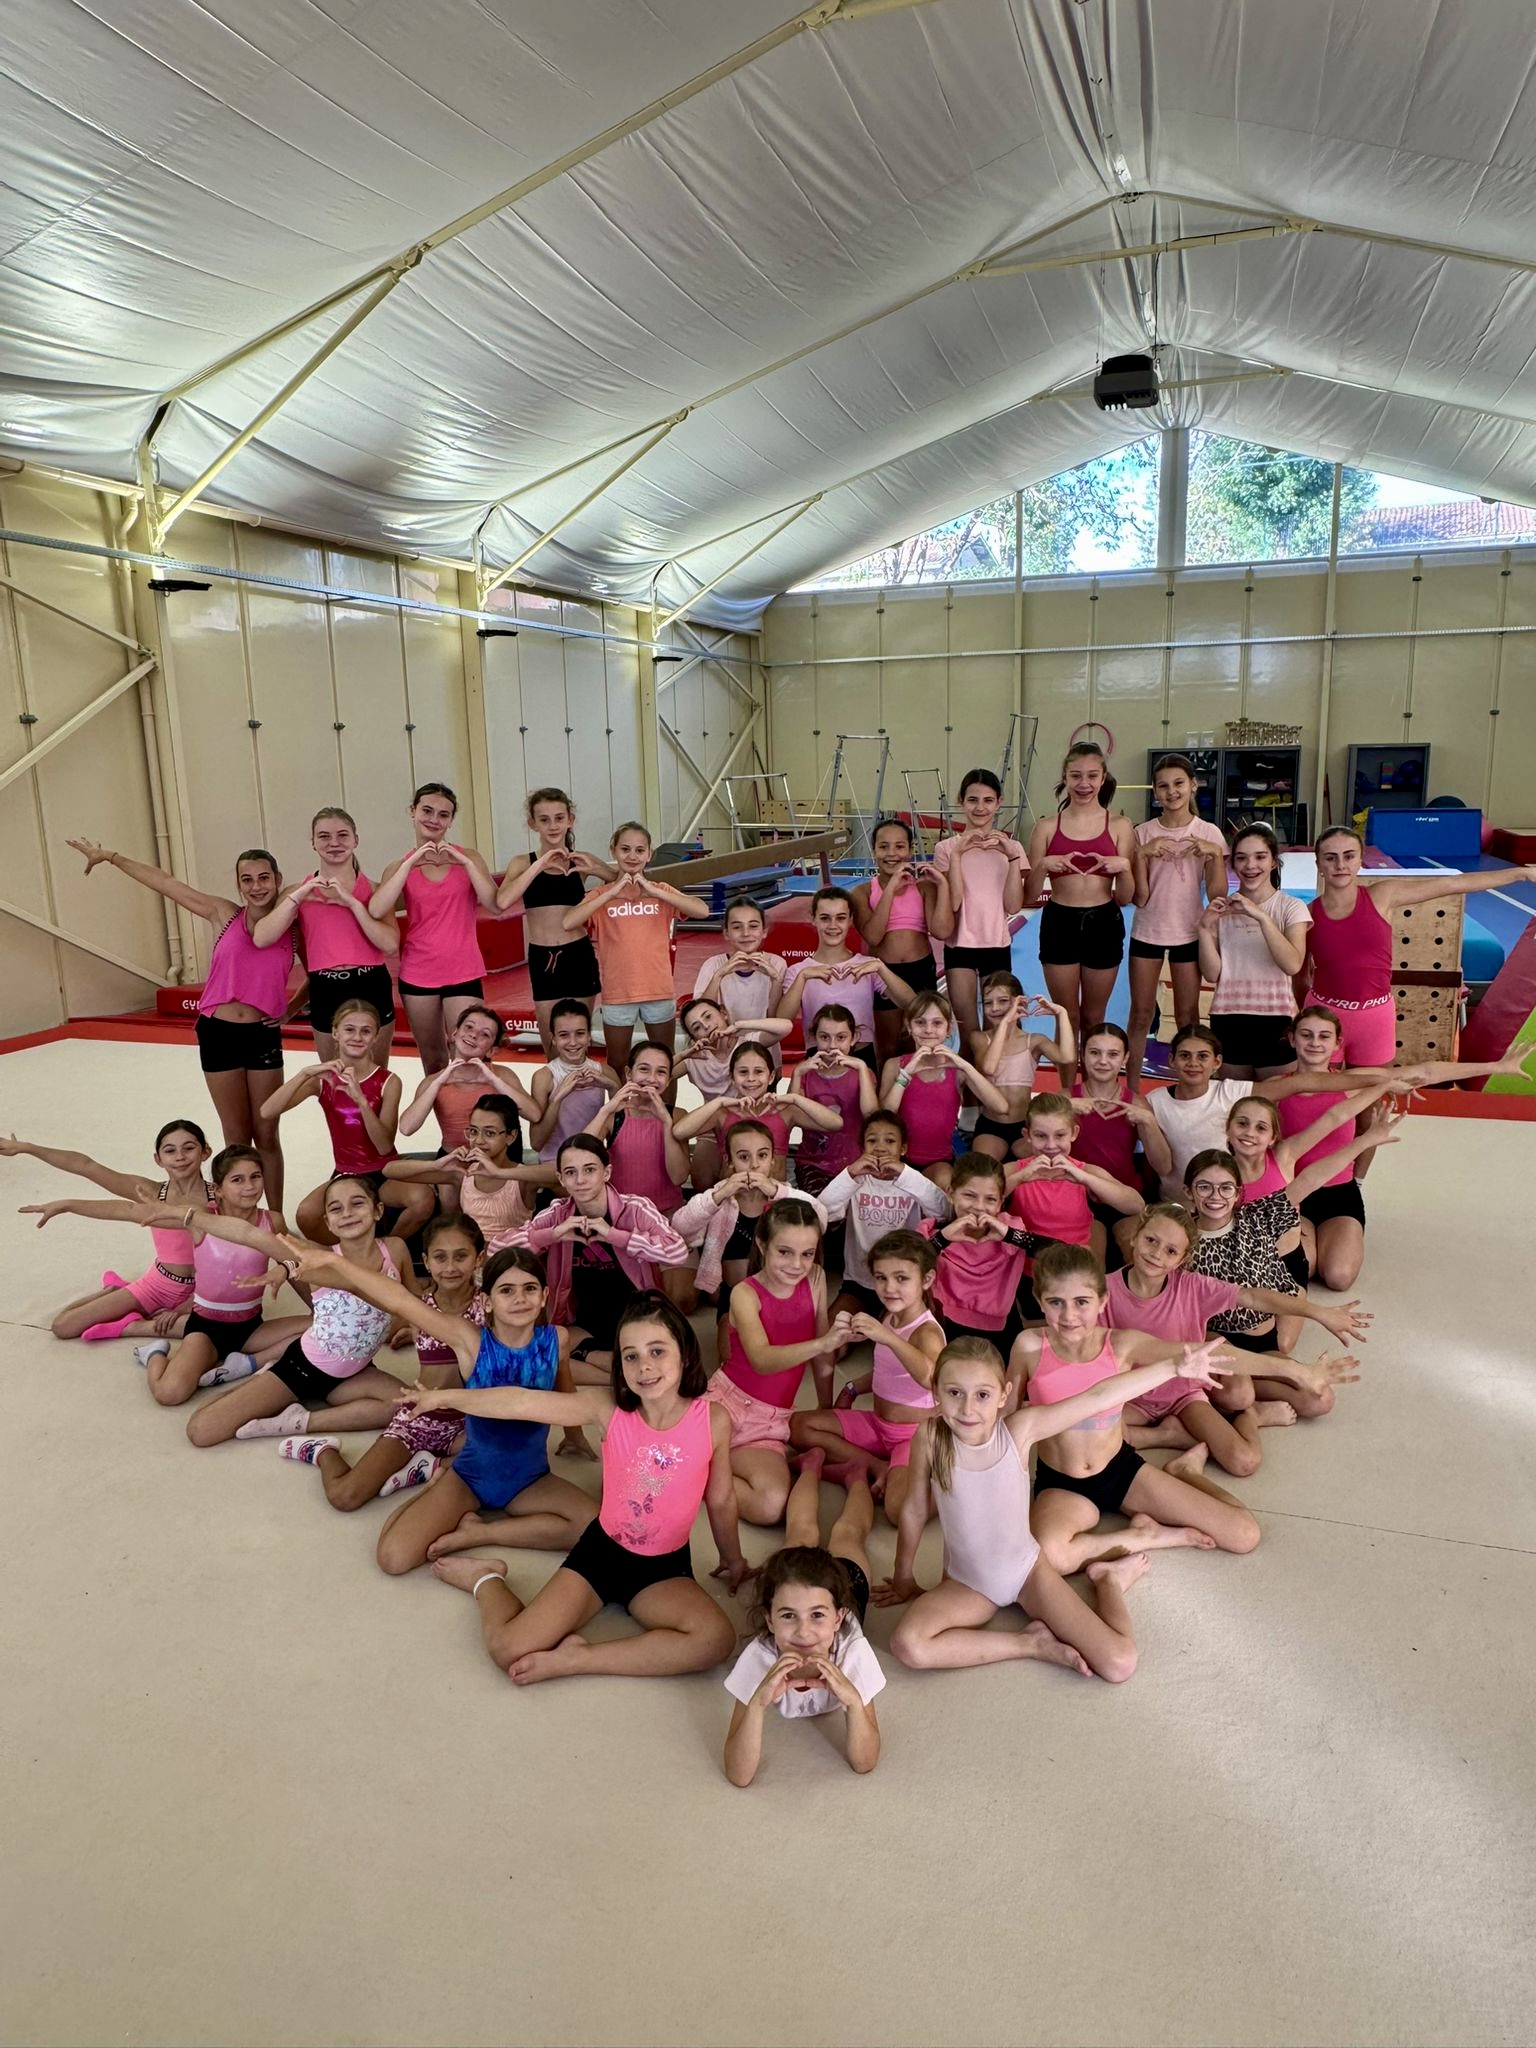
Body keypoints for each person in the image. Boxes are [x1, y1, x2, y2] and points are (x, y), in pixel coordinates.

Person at [399, 1293, 748, 1686]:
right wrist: (444, 1397)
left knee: (715, 1640)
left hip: (663, 1569)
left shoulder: (712, 1420)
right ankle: (486, 1579)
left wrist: (733, 1558)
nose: (644, 1366)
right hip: (601, 1554)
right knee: (507, 1648)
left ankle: (578, 1658)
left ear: (684, 1353)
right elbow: (520, 1402)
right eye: (630, 1356)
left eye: (657, 1351)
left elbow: (721, 1498)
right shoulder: (607, 1408)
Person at [875, 1335, 1203, 1681]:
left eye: (982, 1395)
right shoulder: (930, 1437)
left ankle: (1110, 1580)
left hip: (1027, 1573)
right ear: (936, 1391)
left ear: (1004, 1395)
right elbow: (914, 1508)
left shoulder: (1018, 1430)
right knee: (907, 1645)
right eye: (955, 1392)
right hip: (967, 1583)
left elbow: (1097, 1396)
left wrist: (1173, 1367)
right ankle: (1029, 1643)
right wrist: (903, 1576)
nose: (968, 1409)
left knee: (1119, 1662)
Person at [277, 1240, 597, 1567]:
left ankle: (479, 1532)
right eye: (506, 1290)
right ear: (487, 1301)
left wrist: (574, 1436)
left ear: (544, 1295)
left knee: (596, 1530)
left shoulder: (556, 1339)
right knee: (393, 1559)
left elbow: (566, 1389)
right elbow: (399, 1300)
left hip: (531, 1478)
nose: (519, 1299)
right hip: (471, 1476)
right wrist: (337, 1262)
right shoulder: (469, 1340)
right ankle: (435, 1484)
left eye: (530, 1289)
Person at [66, 837, 294, 1205]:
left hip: (262, 1032)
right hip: (219, 1032)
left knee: (267, 1133)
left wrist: (294, 1006)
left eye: (264, 878)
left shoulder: (291, 925)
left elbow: (318, 969)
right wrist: (111, 856)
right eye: (247, 879)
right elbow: (166, 884)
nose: (257, 887)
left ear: (278, 879)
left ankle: (276, 1214)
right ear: (238, 885)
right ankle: (240, 1212)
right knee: (237, 1135)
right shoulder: (224, 914)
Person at [1013, 1244, 1261, 1571]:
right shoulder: (1028, 1346)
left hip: (1121, 1471)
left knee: (1244, 1534)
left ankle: (1185, 1473)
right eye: (1056, 1302)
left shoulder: (1121, 1343)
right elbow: (1007, 1419)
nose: (1069, 1315)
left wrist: (1295, 1371)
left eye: (1081, 1302)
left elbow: (1196, 1353)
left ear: (1102, 1301)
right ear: (1039, 1300)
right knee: (1050, 1558)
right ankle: (1144, 1536)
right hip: (1062, 1482)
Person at [1108, 1203, 1367, 1474]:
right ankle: (1166, 1435)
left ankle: (1251, 1416)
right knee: (1087, 1435)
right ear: (1135, 1236)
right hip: (1132, 1395)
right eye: (1151, 1240)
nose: (1157, 1254)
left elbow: (1252, 1297)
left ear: (1182, 1259)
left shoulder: (1192, 1285)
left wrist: (1319, 1312)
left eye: (1171, 1250)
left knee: (1245, 1461)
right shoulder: (1104, 1292)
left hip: (1183, 1393)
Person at [179, 1172, 414, 1447]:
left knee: (409, 1408)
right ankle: (264, 1374)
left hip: (356, 1371)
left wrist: (411, 1327)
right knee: (202, 1431)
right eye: (336, 1208)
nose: (347, 1213)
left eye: (358, 1203)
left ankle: (297, 1421)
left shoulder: (395, 1249)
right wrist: (187, 1216)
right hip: (302, 1367)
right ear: (327, 1221)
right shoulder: (321, 1258)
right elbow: (257, 1239)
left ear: (378, 1210)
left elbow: (415, 1300)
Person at [1181, 1135, 1400, 1415]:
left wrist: (1366, 1140)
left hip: (1261, 1340)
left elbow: (1310, 1179)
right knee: (1236, 1393)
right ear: (1189, 1192)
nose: (1215, 1196)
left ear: (1237, 1193)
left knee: (1319, 1400)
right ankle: (1248, 1405)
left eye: (1225, 1188)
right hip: (1213, 1337)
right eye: (1204, 1187)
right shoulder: (1180, 1235)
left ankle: (1246, 1395)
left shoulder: (1257, 1217)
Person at [286, 1212, 490, 1508]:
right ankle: (322, 1452)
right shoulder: (417, 1307)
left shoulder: (492, 1306)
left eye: (461, 1256)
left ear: (479, 1258)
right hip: (420, 1418)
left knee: (502, 1467)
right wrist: (291, 1267)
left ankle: (431, 1466)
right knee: (345, 1497)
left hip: (469, 1424)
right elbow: (356, 1285)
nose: (450, 1267)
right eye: (440, 1257)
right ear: (426, 1261)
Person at [1304, 825, 1536, 1065]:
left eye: (1349, 856)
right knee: (1322, 1088)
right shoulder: (1308, 915)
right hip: (1324, 1016)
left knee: (1373, 1087)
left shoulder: (1382, 896)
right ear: (1319, 864)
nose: (1340, 865)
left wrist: (1521, 874)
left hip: (1374, 1016)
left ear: (1360, 860)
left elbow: (1452, 885)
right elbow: (1298, 973)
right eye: (1330, 858)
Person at [722, 1462, 884, 1785]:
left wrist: (854, 1701)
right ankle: (810, 1467)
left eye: (817, 1616)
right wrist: (756, 1705)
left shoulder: (852, 1649)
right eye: (787, 1616)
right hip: (802, 1581)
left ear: (837, 1619)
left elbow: (865, 1762)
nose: (803, 1631)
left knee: (848, 1533)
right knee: (800, 1531)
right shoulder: (760, 1656)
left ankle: (856, 1477)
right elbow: (738, 1775)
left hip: (846, 1582)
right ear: (769, 1620)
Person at [789, 1228, 946, 1524]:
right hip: (878, 1425)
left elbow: (932, 1379)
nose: (889, 1288)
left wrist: (887, 1337)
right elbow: (889, 1371)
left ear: (926, 1280)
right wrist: (851, 1388)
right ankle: (876, 1466)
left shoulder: (926, 1331)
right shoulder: (890, 1316)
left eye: (901, 1278)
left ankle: (953, 1484)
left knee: (898, 1511)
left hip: (914, 1437)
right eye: (881, 1277)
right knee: (797, 1426)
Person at [5, 1119, 213, 1342]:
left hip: (209, 1287)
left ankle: (134, 1326)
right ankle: (114, 1290)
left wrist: (184, 1307)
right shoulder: (151, 1192)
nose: (180, 1157)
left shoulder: (221, 1196)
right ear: (158, 1159)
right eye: (170, 1151)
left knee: (215, 1332)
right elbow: (87, 1166)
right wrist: (28, 1148)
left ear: (205, 1152)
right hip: (160, 1284)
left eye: (189, 1148)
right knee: (63, 1326)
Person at [513, 1134, 689, 1383]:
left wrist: (614, 1235)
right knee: (538, 1356)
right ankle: (615, 1375)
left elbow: (677, 1251)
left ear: (606, 1172)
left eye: (589, 1170)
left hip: (639, 1318)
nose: (580, 1180)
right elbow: (499, 1248)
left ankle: (600, 1361)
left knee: (667, 1364)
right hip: (585, 1324)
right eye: (571, 1172)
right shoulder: (558, 1213)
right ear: (561, 1179)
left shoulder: (635, 1208)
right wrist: (554, 1234)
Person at [257, 998, 435, 1245]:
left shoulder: (388, 1081)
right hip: (346, 1173)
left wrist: (361, 1101)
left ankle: (384, 1249)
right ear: (335, 1033)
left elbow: (384, 1146)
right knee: (306, 1215)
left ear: (376, 1037)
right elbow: (267, 1111)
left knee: (422, 1200)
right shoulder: (323, 1080)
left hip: (383, 1173)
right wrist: (304, 1073)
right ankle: (351, 1250)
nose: (357, 1037)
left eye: (366, 1031)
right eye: (350, 1029)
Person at [126, 1145, 287, 1404]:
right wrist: (70, 1205)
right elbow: (124, 1211)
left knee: (322, 1331)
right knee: (169, 1394)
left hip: (251, 1327)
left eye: (255, 1177)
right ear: (218, 1189)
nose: (249, 1186)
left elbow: (295, 1260)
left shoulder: (273, 1221)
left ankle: (248, 1363)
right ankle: (154, 1354)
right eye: (238, 1180)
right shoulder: (202, 1219)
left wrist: (293, 1278)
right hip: (206, 1328)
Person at [712, 1199, 836, 1525]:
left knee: (770, 1506)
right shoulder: (744, 1293)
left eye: (807, 1254)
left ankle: (706, 1467)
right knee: (665, 1461)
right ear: (762, 1244)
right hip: (725, 1406)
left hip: (769, 1422)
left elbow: (823, 1358)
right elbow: (762, 1360)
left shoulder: (816, 1278)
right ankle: (700, 1464)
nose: (797, 1264)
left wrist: (826, 1407)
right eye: (785, 1252)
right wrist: (822, 1343)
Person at [1023, 743, 1136, 1089]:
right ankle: (1066, 1092)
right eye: (1076, 776)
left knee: (1093, 1016)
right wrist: (1042, 866)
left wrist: (1124, 868)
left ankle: (1092, 1088)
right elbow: (1029, 896)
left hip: (1104, 921)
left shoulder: (1120, 826)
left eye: (1091, 776)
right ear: (1065, 777)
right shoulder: (1045, 828)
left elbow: (1126, 897)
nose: (1084, 784)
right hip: (1060, 921)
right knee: (1065, 1014)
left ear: (1103, 778)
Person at [368, 782, 499, 1075]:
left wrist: (464, 861)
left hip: (462, 970)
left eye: (443, 814)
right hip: (419, 973)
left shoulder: (469, 858)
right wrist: (411, 862)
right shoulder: (399, 867)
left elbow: (494, 903)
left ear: (451, 821)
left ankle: (472, 1108)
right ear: (412, 812)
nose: (434, 819)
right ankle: (442, 1108)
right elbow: (376, 909)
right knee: (434, 1060)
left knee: (470, 1058)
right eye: (427, 811)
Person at [251, 806, 398, 1066]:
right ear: (313, 843)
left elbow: (390, 944)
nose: (334, 843)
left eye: (342, 835)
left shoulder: (375, 890)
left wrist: (352, 903)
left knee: (374, 1076)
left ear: (356, 840)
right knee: (333, 1077)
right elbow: (262, 937)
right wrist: (298, 896)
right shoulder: (298, 892)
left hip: (370, 983)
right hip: (326, 987)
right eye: (324, 836)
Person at [561, 820, 708, 1071]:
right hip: (619, 993)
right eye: (625, 849)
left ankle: (663, 1099)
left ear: (649, 854)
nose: (632, 856)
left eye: (640, 850)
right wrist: (611, 892)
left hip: (658, 990)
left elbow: (701, 910)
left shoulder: (661, 891)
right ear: (613, 850)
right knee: (618, 1061)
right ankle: (622, 1100)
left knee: (664, 1059)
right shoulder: (601, 897)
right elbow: (568, 922)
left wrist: (655, 891)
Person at [1127, 755, 1228, 1078]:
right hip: (1148, 931)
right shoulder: (1142, 833)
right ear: (1155, 792)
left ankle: (1190, 1084)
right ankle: (1130, 1087)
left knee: (1188, 1016)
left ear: (1193, 785)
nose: (1172, 792)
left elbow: (1217, 895)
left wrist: (1215, 855)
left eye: (1179, 783)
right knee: (1141, 1015)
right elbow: (1140, 897)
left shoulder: (1208, 832)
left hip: (1189, 932)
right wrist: (1141, 855)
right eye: (1163, 786)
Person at [494, 786, 614, 1051]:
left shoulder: (581, 860)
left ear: (570, 820)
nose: (553, 826)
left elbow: (620, 883)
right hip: (543, 957)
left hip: (577, 954)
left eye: (559, 818)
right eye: (544, 819)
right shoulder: (522, 863)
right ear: (533, 824)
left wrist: (596, 869)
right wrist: (540, 864)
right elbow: (502, 901)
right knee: (552, 1044)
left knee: (578, 1042)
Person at [1198, 824, 1312, 1080]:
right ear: (1233, 865)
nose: (1250, 865)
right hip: (1228, 1017)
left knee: (1274, 1100)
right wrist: (1204, 929)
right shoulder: (1221, 910)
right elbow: (1212, 974)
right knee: (1235, 1100)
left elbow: (1292, 964)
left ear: (1273, 862)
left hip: (1276, 1017)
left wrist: (1261, 916)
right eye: (1241, 858)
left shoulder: (1291, 907)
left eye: (1260, 857)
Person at [819, 1110, 950, 1321]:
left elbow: (944, 1212)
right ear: (862, 1147)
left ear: (903, 1148)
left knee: (895, 1334)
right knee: (831, 1335)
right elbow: (822, 1212)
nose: (880, 1147)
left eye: (890, 1141)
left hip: (902, 1281)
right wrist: (850, 1173)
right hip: (859, 1282)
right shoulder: (855, 1180)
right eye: (872, 1141)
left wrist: (905, 1173)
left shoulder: (912, 1181)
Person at [672, 1119, 812, 1315]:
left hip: (779, 1294)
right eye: (744, 1157)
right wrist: (719, 1195)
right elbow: (679, 1227)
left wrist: (776, 1191)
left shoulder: (782, 1194)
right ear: (729, 1161)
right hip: (732, 1296)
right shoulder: (720, 1196)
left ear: (772, 1159)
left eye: (762, 1155)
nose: (754, 1165)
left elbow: (820, 1215)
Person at [929, 770, 1029, 1040]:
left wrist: (1012, 858)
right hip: (959, 946)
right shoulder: (946, 848)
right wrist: (958, 855)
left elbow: (1013, 905)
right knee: (969, 1034)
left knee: (997, 1033)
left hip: (996, 946)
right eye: (973, 800)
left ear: (999, 802)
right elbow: (953, 902)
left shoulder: (1012, 848)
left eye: (988, 800)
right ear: (961, 801)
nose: (980, 808)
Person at [385, 1095, 555, 1252]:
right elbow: (390, 1170)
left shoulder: (521, 1178)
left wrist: (499, 1173)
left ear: (511, 1136)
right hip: (473, 1260)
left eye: (489, 1133)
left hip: (511, 1261)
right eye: (473, 1131)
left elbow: (560, 1172)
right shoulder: (464, 1173)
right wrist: (435, 1164)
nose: (479, 1141)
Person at [880, 992, 1010, 1190]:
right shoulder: (895, 1065)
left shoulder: (957, 1070)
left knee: (945, 1181)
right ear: (909, 1026)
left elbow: (1000, 1107)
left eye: (937, 1023)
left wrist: (964, 1065)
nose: (928, 1030)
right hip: (898, 1157)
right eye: (920, 1022)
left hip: (939, 1162)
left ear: (949, 1028)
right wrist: (907, 1072)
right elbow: (884, 1115)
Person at [1004, 1093, 1143, 1273]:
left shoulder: (1085, 1171)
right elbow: (980, 1200)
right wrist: (1020, 1178)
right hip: (1024, 1274)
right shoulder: (1014, 1170)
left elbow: (1136, 1205)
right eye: (1041, 1136)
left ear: (1074, 1133)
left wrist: (1085, 1179)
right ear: (1027, 1135)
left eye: (1060, 1135)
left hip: (1073, 1273)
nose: (1051, 1145)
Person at [850, 816, 952, 1062]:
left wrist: (943, 884)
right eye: (883, 846)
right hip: (884, 972)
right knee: (887, 1046)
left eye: (899, 846)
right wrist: (890, 889)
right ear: (874, 851)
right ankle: (887, 1088)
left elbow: (942, 931)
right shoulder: (862, 892)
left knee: (918, 1043)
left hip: (920, 970)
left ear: (910, 850)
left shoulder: (924, 888)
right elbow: (874, 936)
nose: (891, 853)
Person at [774, 886, 915, 1060]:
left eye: (840, 918)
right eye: (825, 918)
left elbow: (912, 1003)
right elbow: (782, 1020)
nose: (833, 926)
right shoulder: (798, 971)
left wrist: (882, 969)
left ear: (850, 920)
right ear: (813, 919)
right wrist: (802, 978)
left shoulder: (867, 966)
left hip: (862, 1057)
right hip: (819, 1058)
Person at [919, 1152, 1040, 1352]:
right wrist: (943, 1238)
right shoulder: (932, 1232)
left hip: (999, 1330)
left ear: (1000, 1202)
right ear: (950, 1193)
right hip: (945, 1324)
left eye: (990, 1199)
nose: (979, 1207)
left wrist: (1010, 1235)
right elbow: (909, 1262)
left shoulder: (1010, 1231)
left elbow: (1060, 1252)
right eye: (969, 1195)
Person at [673, 1039, 840, 1184]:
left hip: (774, 1201)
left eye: (759, 1071)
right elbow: (680, 1132)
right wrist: (719, 1101)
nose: (751, 1078)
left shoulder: (785, 1111)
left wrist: (794, 1098)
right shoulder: (722, 1112)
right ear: (732, 1077)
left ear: (771, 1077)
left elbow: (835, 1123)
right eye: (743, 1072)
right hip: (732, 1200)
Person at [677, 997, 794, 1189]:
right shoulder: (695, 1058)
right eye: (697, 1027)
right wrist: (684, 1054)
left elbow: (786, 1027)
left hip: (754, 1117)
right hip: (716, 1123)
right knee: (702, 1181)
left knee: (761, 1170)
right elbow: (662, 1072)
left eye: (708, 1017)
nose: (706, 1026)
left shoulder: (746, 1044)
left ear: (723, 1013)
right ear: (694, 1037)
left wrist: (740, 1025)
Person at [397, 1003, 540, 1158]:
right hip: (454, 1158)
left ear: (492, 1050)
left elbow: (534, 1115)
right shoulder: (434, 1081)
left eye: (485, 1034)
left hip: (498, 1161)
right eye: (469, 1027)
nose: (473, 1035)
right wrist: (438, 1083)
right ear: (454, 1033)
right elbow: (406, 1128)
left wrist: (494, 1080)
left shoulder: (503, 1075)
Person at [1068, 1024, 1172, 1222]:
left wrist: (1149, 1121)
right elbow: (1028, 1148)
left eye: (1113, 1054)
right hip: (1074, 1194)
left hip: (1124, 1193)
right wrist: (1063, 1109)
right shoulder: (1065, 1099)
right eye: (1095, 1053)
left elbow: (1164, 1167)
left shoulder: (1136, 1103)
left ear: (1125, 1058)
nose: (1103, 1061)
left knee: (1130, 1237)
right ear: (1083, 1054)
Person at [580, 1041, 692, 1221]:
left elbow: (678, 1177)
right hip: (621, 1215)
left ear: (669, 1080)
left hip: (665, 1216)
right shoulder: (614, 1115)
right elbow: (579, 1153)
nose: (651, 1079)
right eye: (644, 1069)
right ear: (628, 1074)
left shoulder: (677, 1116)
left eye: (661, 1072)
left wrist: (666, 1122)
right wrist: (605, 1110)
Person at [968, 974, 1075, 1160]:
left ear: (1019, 1003)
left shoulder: (1033, 1041)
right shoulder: (979, 1038)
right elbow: (989, 1067)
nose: (995, 1008)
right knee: (983, 1167)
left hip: (1024, 1126)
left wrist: (1062, 1014)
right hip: (991, 1126)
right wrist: (1005, 1023)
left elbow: (1066, 1057)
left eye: (1003, 1001)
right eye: (988, 1003)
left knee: (1043, 1164)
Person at [1146, 1024, 1252, 1200]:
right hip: (1175, 1203)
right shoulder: (1154, 1101)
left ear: (1216, 1062)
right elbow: (1161, 1166)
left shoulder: (1229, 1092)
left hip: (1222, 1202)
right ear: (1172, 1060)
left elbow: (1288, 1086)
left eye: (1202, 1056)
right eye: (1184, 1055)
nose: (1193, 1063)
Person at [784, 1004, 877, 1200]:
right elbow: (790, 1114)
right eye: (824, 1037)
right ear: (814, 1037)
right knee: (822, 1204)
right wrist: (797, 1073)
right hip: (812, 1163)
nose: (832, 1046)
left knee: (853, 1209)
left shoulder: (863, 1073)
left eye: (841, 1037)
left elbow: (871, 1116)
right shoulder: (805, 1074)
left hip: (854, 1161)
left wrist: (861, 1067)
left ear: (854, 1038)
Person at [528, 1000, 620, 1163]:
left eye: (580, 1033)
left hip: (591, 1160)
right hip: (554, 1162)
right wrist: (558, 1097)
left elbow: (622, 1131)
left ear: (589, 1036)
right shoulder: (544, 1077)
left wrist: (612, 1087)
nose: (573, 1042)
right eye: (564, 1035)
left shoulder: (606, 1073)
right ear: (553, 1038)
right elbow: (536, 1143)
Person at [691, 898, 789, 1042]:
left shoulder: (777, 964)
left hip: (764, 1045)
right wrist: (719, 975)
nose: (745, 933)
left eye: (753, 926)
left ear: (764, 932)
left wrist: (776, 980)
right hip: (724, 1045)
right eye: (737, 927)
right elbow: (701, 1016)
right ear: (726, 933)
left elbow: (776, 1018)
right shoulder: (712, 965)